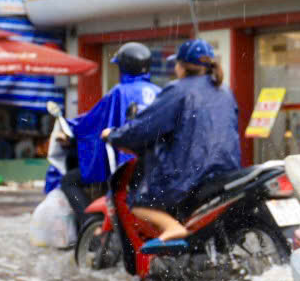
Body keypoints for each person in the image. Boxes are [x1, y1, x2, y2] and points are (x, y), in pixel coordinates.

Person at [103, 39, 241, 248]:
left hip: (190, 174)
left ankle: (172, 227)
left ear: (182, 66)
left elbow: (144, 127)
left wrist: (113, 135)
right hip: (227, 170)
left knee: (139, 203)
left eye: (176, 63)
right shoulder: (224, 91)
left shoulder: (178, 90)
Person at [73, 42, 161, 189]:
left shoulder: (119, 91)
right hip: (155, 162)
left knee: (70, 181)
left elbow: (92, 120)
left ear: (123, 67)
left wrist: (71, 126)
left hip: (126, 163)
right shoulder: (160, 91)